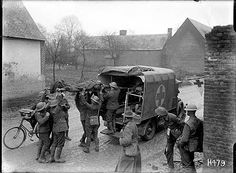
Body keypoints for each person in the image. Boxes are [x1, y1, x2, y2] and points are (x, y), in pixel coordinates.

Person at [155, 107, 184, 173]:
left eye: (159, 115)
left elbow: (182, 124)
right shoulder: (161, 119)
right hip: (170, 136)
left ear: (163, 115)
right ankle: (171, 167)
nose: (158, 116)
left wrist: (181, 135)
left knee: (182, 149)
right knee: (168, 151)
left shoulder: (172, 117)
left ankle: (184, 164)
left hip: (177, 134)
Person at [176, 104, 203, 173]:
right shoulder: (199, 121)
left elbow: (184, 139)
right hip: (194, 145)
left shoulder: (188, 124)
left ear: (189, 112)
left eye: (187, 110)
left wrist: (179, 144)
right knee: (191, 161)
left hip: (187, 147)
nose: (186, 112)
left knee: (187, 164)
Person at [48, 99, 69, 163]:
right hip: (61, 128)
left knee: (54, 143)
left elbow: (67, 106)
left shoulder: (51, 110)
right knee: (60, 144)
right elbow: (66, 106)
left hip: (55, 128)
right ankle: (57, 158)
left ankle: (51, 157)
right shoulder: (59, 109)